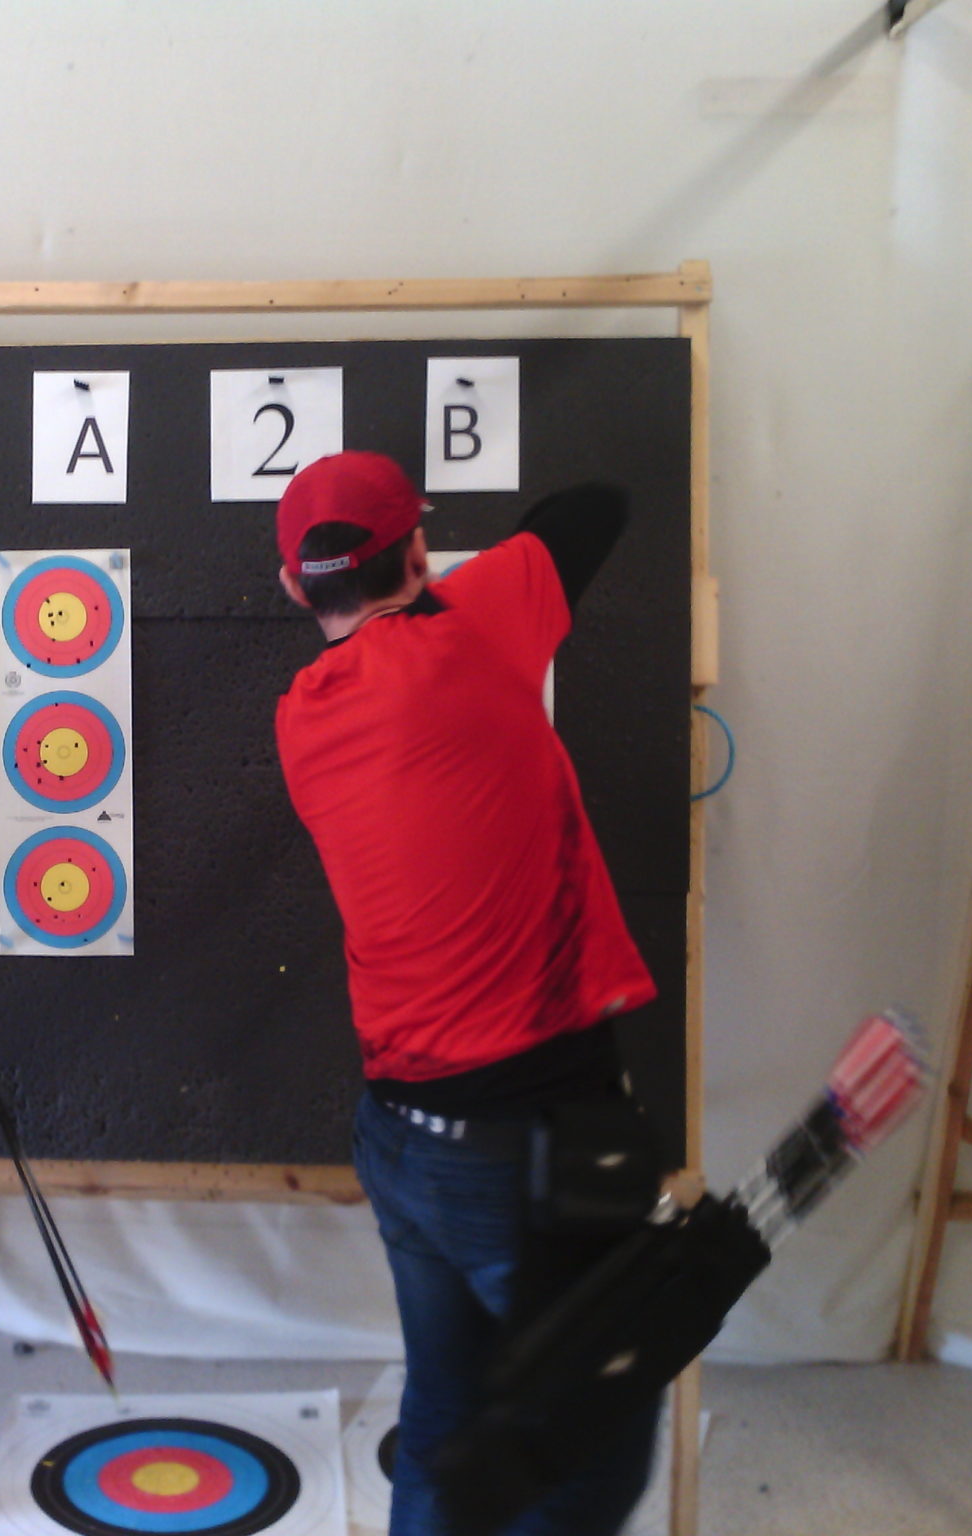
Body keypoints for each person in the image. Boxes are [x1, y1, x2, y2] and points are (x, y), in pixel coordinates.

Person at [271, 451, 661, 1536]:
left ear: (294, 587)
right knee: (589, 1446)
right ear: (418, 554)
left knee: (447, 1414)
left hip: (403, 1142)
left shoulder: (299, 716)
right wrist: (448, 577)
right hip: (530, 1140)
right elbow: (598, 501)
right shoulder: (473, 625)